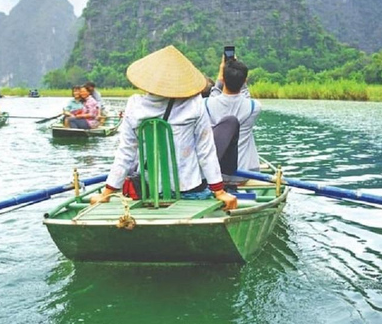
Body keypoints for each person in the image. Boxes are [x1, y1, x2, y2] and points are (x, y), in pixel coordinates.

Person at [90, 45, 237, 210]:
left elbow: (125, 153)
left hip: (148, 190)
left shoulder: (135, 106)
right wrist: (219, 191)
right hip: (190, 190)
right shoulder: (195, 104)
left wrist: (106, 193)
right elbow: (206, 150)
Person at [205, 57, 262, 188]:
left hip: (216, 175)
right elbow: (245, 97)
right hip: (244, 175)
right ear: (245, 82)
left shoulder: (206, 105)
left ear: (223, 79)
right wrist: (240, 78)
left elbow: (214, 96)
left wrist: (219, 79)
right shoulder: (255, 107)